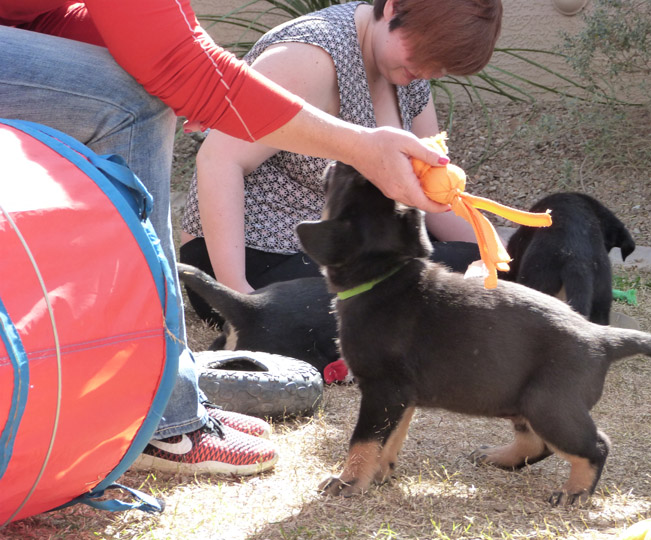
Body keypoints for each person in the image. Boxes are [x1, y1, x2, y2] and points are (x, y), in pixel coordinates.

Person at [0, 0, 453, 475]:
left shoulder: (406, 83)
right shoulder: (318, 49)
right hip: (264, 253)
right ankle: (162, 421)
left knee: (136, 74)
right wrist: (360, 147)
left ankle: (93, 374)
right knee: (132, 104)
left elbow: (142, 40)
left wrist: (186, 71)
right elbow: (185, 71)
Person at [179, 0, 503, 324]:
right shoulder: (310, 56)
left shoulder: (408, 71)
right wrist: (240, 298)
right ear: (392, 8)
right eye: (424, 55)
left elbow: (429, 196)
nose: (427, 72)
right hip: (255, 256)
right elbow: (218, 160)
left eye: (440, 68)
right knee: (426, 294)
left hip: (345, 250)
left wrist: (495, 250)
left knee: (483, 269)